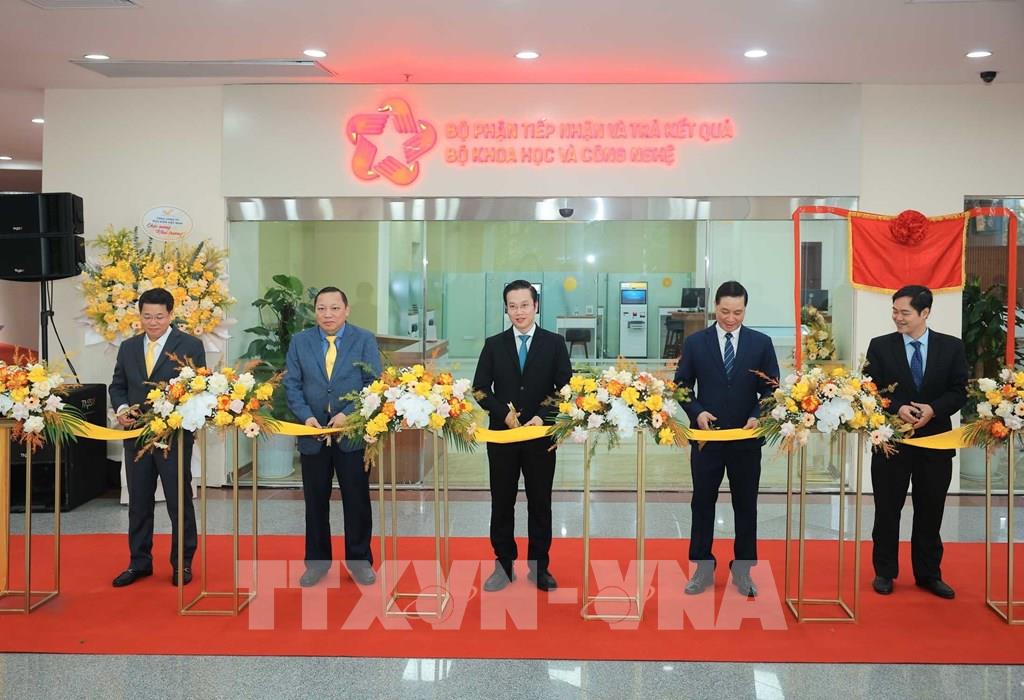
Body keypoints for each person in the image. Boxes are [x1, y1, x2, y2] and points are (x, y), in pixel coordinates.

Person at [674, 280, 779, 597]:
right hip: (707, 440)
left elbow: (771, 388)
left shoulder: (761, 343)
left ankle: (743, 571)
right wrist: (697, 412)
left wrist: (758, 415)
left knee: (745, 505)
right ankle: (702, 569)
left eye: (737, 312)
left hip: (746, 439)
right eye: (724, 311)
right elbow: (682, 387)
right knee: (702, 503)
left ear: (745, 309)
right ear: (715, 308)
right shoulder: (696, 342)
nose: (731, 318)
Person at [866, 284, 967, 599]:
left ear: (925, 313)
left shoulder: (951, 347)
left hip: (935, 443)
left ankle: (928, 574)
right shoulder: (880, 346)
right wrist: (898, 408)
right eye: (894, 311)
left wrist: (933, 409)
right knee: (887, 510)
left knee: (930, 510)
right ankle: (885, 572)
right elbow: (870, 390)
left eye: (905, 313)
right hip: (892, 443)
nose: (897, 318)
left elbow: (959, 391)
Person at [473, 280, 572, 592]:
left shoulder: (554, 343)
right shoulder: (494, 344)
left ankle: (539, 567)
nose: (519, 312)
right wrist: (502, 413)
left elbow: (565, 389)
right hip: (502, 438)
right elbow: (479, 389)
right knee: (502, 502)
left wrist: (541, 416)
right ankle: (503, 566)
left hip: (540, 437)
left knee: (540, 502)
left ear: (536, 306)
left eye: (525, 305)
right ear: (506, 308)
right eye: (513, 306)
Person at [285, 286, 382, 587]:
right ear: (315, 311)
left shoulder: (363, 339)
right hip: (313, 433)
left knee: (356, 500)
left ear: (347, 310)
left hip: (351, 434)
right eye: (321, 308)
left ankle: (360, 562)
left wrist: (348, 415)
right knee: (315, 502)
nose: (328, 314)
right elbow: (292, 385)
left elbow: (373, 384)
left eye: (334, 308)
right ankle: (317, 564)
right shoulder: (300, 341)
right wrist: (306, 417)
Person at [109, 287, 205, 587]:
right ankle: (139, 563)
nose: (153, 322)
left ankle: (182, 564)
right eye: (147, 316)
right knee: (139, 502)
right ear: (140, 315)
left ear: (171, 315)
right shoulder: (128, 347)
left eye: (159, 317)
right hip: (136, 435)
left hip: (174, 436)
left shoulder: (190, 345)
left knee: (179, 502)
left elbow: (199, 388)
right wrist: (122, 408)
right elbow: (118, 385)